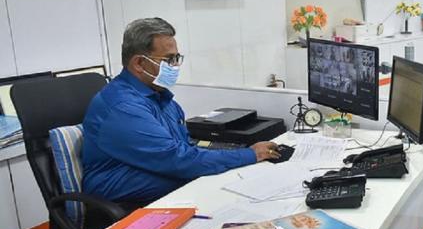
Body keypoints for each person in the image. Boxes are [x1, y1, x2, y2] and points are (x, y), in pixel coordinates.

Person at [83, 18, 280, 204]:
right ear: (139, 64)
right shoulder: (123, 106)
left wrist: (240, 153)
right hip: (123, 199)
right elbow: (176, 159)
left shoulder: (159, 95)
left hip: (162, 177)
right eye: (169, 59)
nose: (175, 66)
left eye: (177, 58)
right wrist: (249, 155)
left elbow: (184, 148)